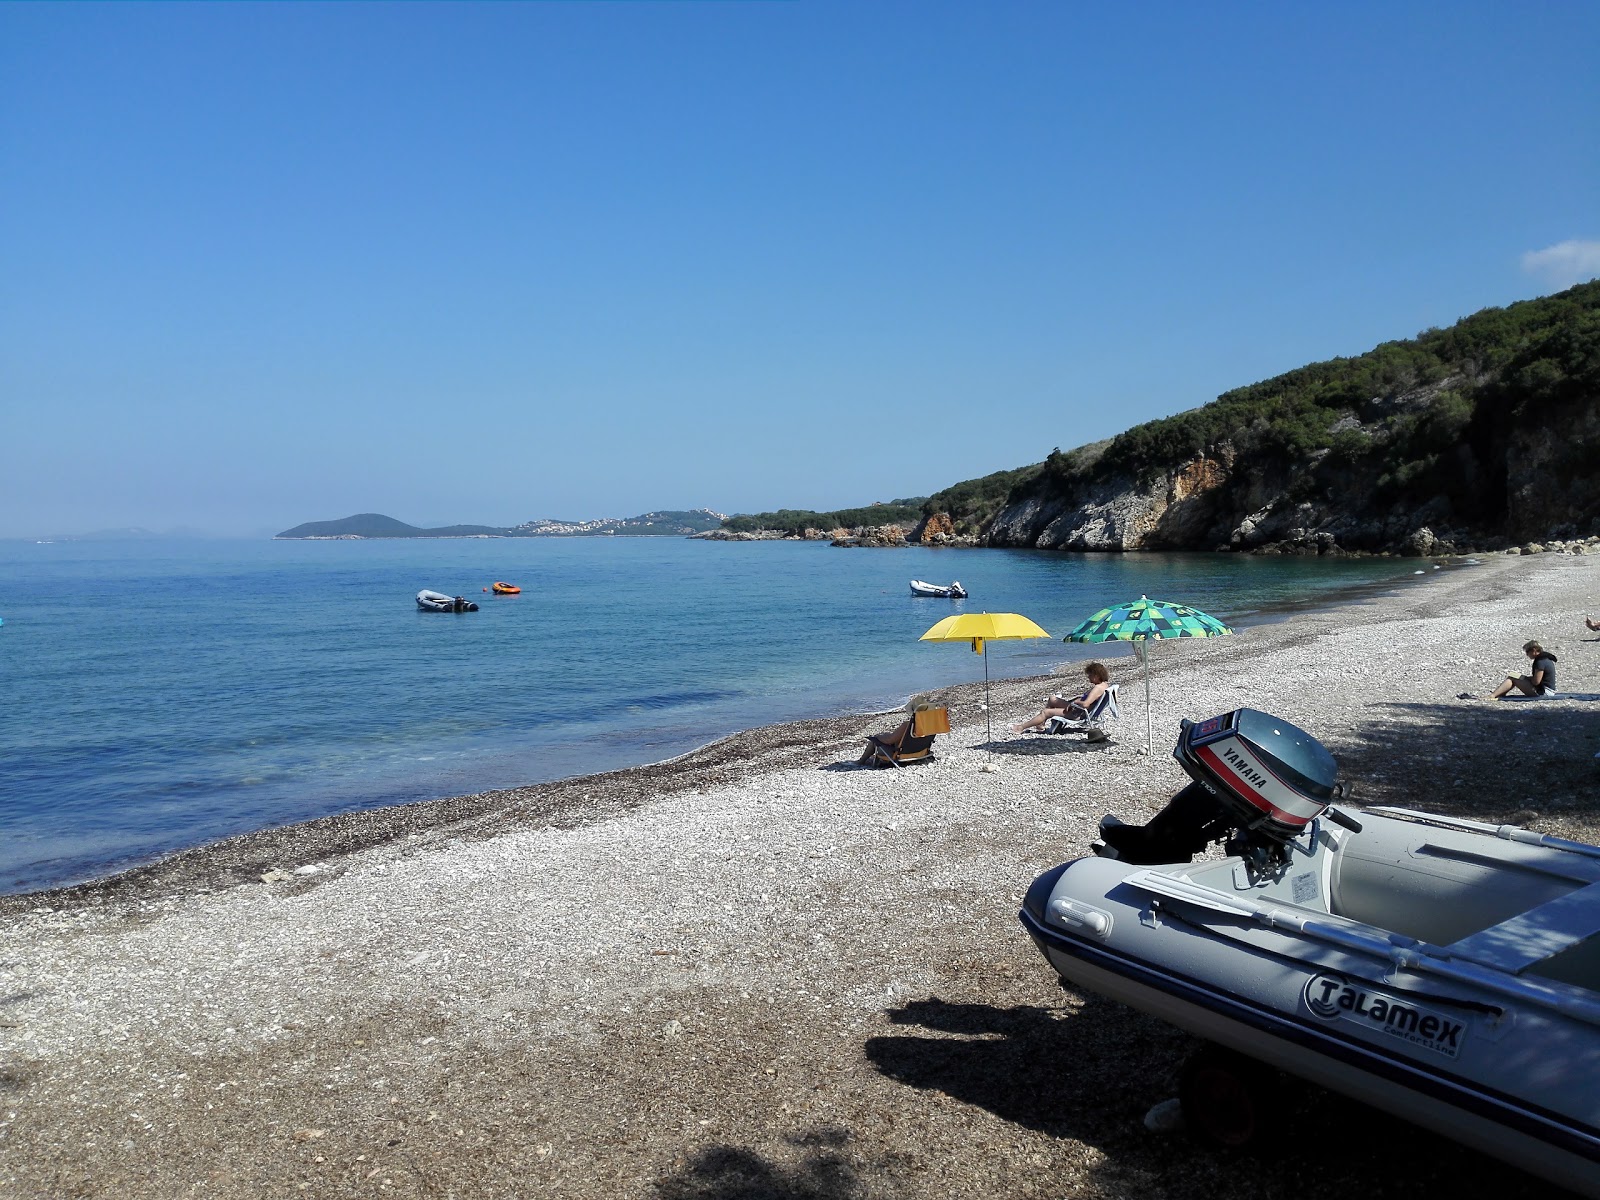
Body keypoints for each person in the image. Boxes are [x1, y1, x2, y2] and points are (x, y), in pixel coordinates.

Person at [1012, 662, 1112, 732]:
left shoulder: (1097, 689)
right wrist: (1077, 700)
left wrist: (1075, 703)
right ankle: (1040, 724)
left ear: (1096, 675)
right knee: (1052, 699)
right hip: (1079, 709)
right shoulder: (1104, 685)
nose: (1088, 677)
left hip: (1079, 713)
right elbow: (1090, 702)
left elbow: (1085, 704)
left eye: (1090, 675)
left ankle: (1022, 727)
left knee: (1046, 712)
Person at [858, 703, 935, 765]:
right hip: (920, 753)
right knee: (886, 737)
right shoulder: (931, 725)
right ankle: (866, 760)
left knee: (874, 741)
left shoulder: (908, 725)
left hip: (901, 755)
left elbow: (890, 740)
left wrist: (877, 737)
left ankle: (860, 762)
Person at [1490, 640, 1559, 700]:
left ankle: (1493, 695)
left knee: (1512, 678)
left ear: (1534, 650)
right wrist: (1525, 678)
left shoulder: (1540, 662)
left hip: (1544, 692)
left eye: (1527, 652)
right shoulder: (1545, 658)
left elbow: (1536, 682)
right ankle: (1499, 694)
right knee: (1515, 677)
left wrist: (1525, 679)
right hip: (1548, 691)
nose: (1527, 654)